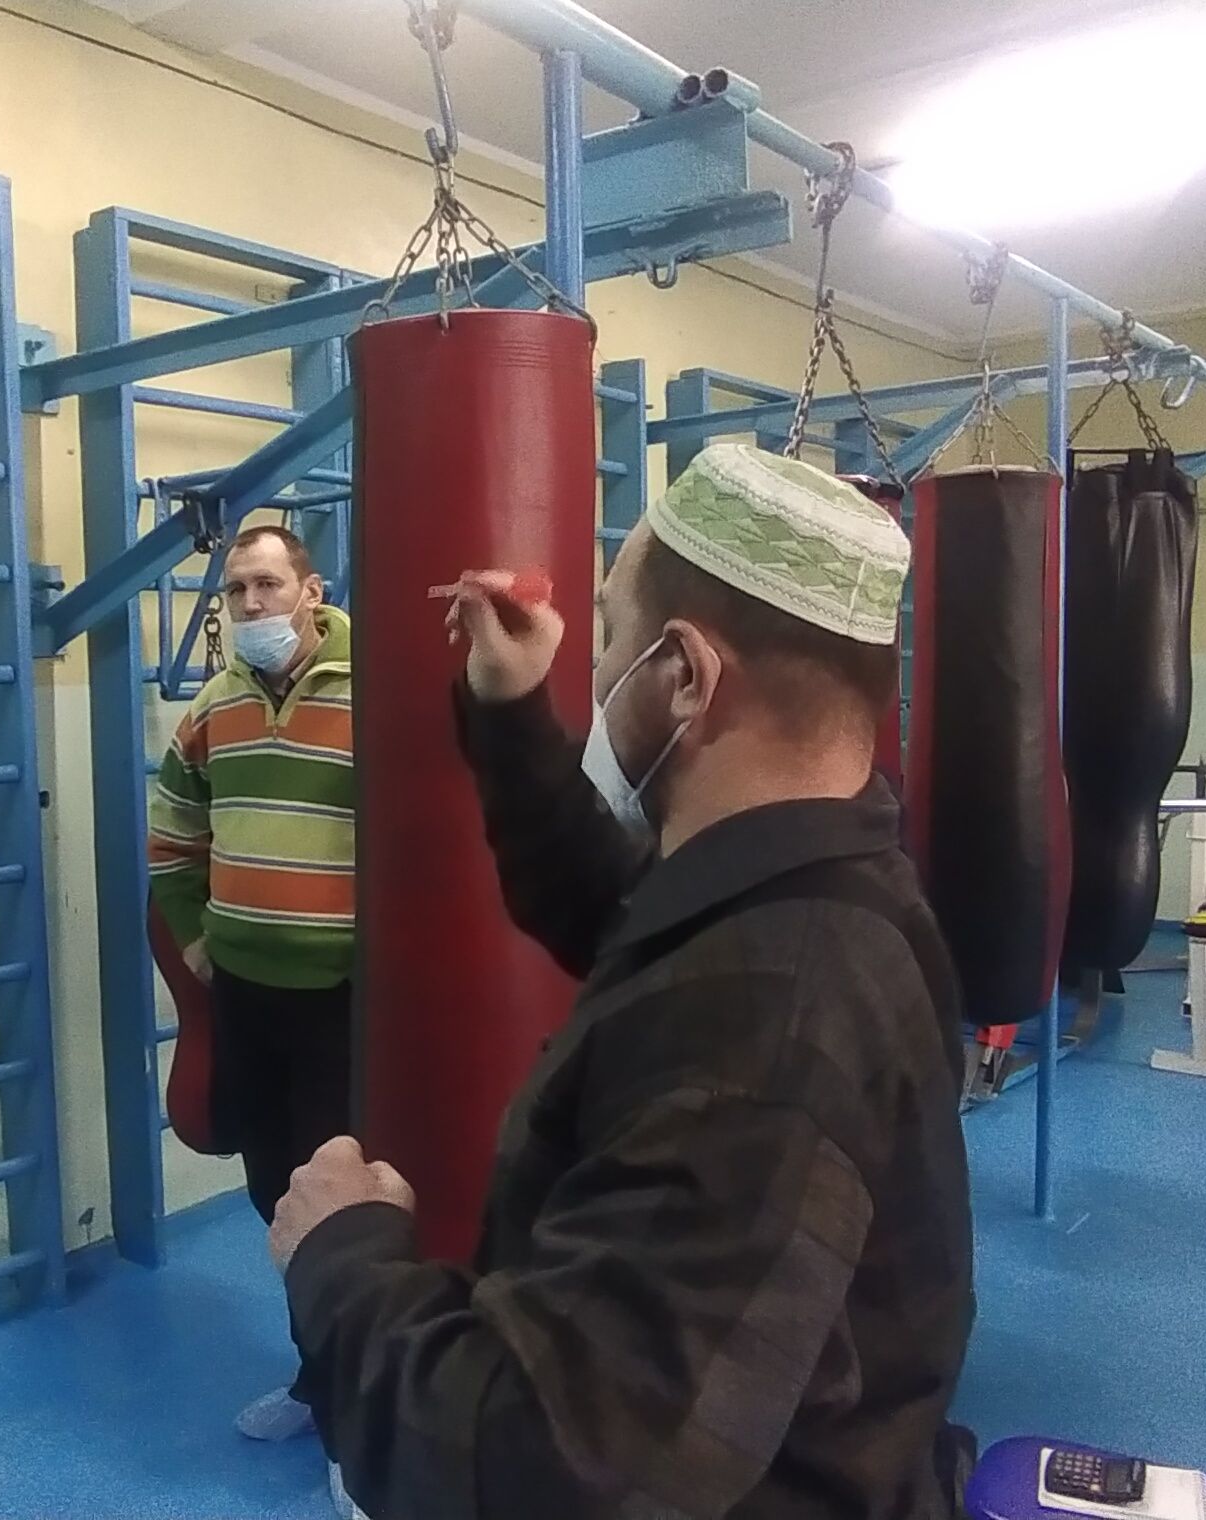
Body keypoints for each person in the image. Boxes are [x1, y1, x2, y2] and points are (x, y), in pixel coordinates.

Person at [269, 443, 978, 1519]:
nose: (598, 673)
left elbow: (549, 1469)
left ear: (685, 674)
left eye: (611, 635)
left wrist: (343, 1253)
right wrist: (512, 708)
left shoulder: (772, 1018)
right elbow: (624, 913)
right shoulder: (817, 878)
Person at [146, 521, 358, 1443]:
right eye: (236, 590)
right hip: (245, 995)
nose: (251, 604)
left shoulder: (374, 691)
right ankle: (319, 1379)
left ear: (311, 592)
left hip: (345, 1001)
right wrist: (197, 938)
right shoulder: (214, 706)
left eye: (268, 584)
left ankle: (360, 1408)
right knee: (273, 1195)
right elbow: (171, 835)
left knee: (343, 1209)